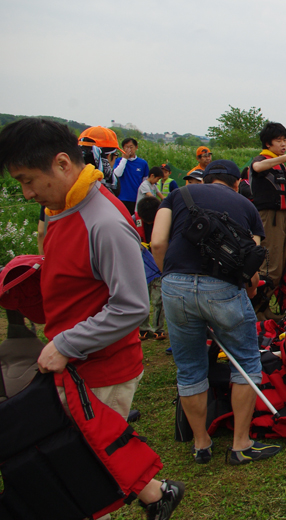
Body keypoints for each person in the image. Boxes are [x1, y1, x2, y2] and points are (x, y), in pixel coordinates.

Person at [0, 117, 184, 518]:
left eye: (29, 180)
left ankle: (157, 492)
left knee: (79, 474)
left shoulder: (103, 222)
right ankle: (159, 493)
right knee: (87, 455)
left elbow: (132, 306)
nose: (27, 192)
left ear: (63, 163)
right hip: (73, 362)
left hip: (100, 368)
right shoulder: (61, 208)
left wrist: (66, 344)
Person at [151, 159, 281, 467]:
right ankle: (240, 443)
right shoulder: (247, 207)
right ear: (237, 183)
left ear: (205, 178)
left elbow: (157, 242)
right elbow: (251, 264)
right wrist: (250, 291)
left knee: (189, 368)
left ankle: (201, 443)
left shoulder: (177, 195)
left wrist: (169, 276)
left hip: (174, 285)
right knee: (246, 361)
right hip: (222, 288)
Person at [250, 122, 286, 320]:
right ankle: (255, 312)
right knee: (269, 265)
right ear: (267, 143)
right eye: (278, 141)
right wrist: (285, 158)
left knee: (281, 264)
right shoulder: (262, 160)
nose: (283, 144)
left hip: (282, 217)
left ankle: (265, 310)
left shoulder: (279, 164)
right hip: (268, 217)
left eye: (285, 141)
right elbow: (256, 167)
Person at [137, 197, 166, 341]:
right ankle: (143, 328)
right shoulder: (132, 221)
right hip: (140, 268)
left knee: (158, 299)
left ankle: (158, 328)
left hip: (158, 267)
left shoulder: (165, 221)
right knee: (141, 299)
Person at [114, 137, 149, 214]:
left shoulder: (142, 163)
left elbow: (145, 181)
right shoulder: (118, 161)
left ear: (136, 147)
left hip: (136, 198)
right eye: (126, 147)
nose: (129, 149)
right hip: (121, 197)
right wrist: (124, 159)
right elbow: (117, 174)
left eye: (131, 147)